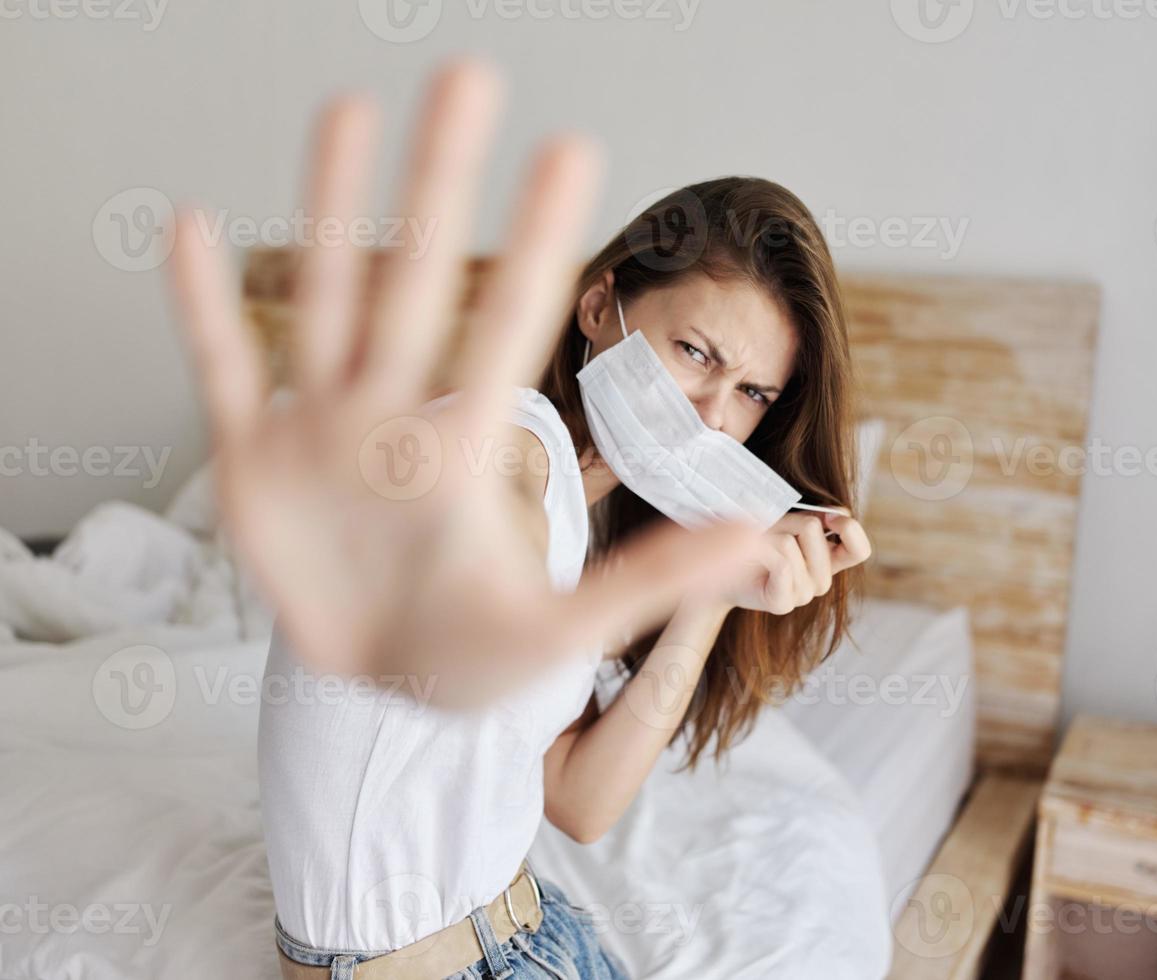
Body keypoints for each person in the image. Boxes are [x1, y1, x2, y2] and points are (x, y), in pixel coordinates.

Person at [170, 58, 871, 980]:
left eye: (749, 393)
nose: (710, 415)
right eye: (693, 350)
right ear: (598, 307)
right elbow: (469, 508)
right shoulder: (515, 446)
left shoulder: (586, 523)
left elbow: (579, 801)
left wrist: (712, 586)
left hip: (531, 930)